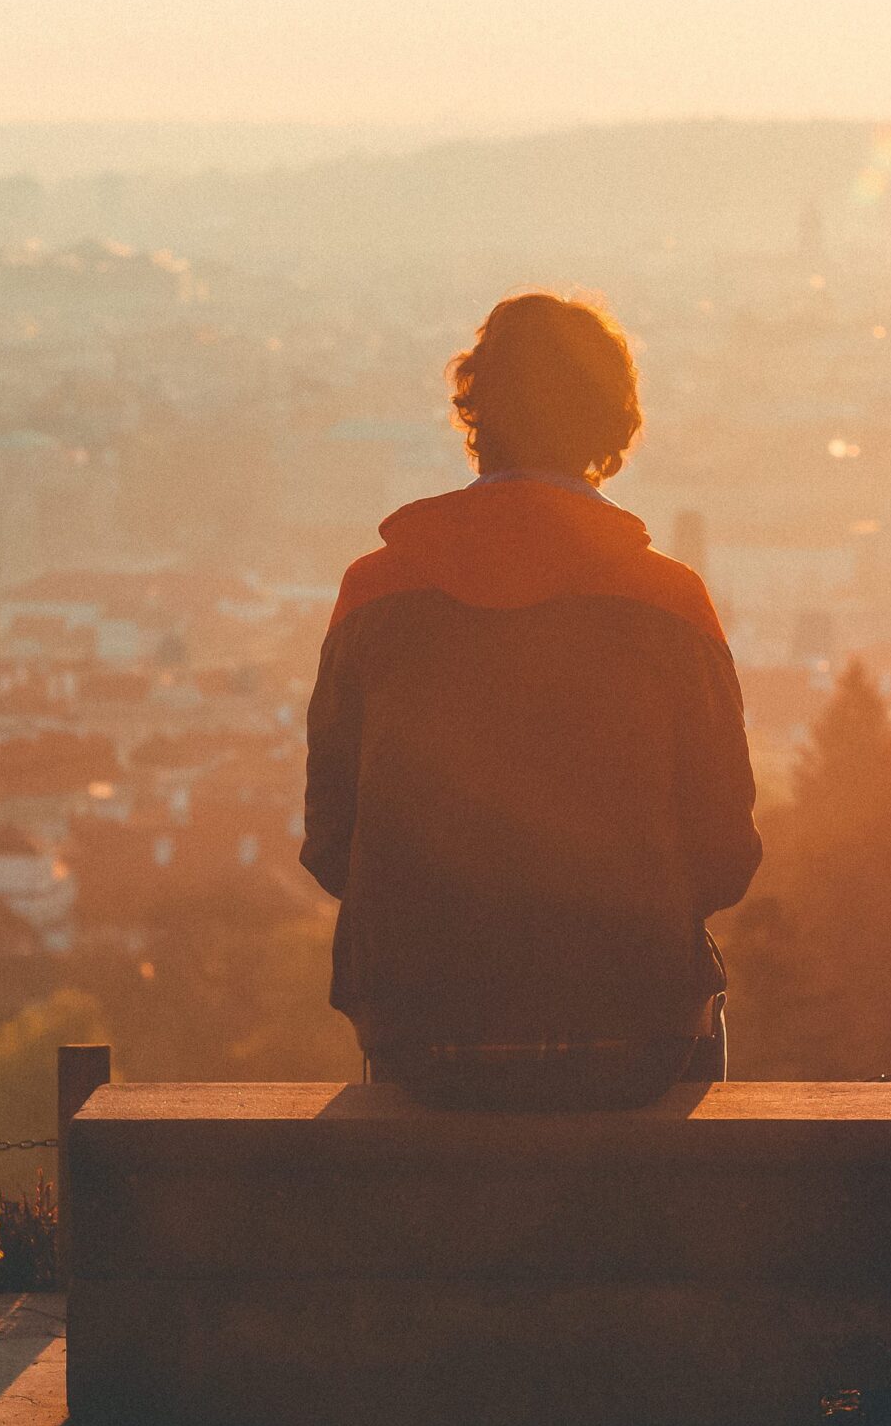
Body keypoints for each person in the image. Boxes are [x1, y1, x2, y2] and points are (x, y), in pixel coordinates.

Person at [300, 291, 760, 1109]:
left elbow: (333, 840)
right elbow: (725, 850)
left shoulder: (373, 594)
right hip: (632, 1034)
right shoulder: (671, 603)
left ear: (478, 416)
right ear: (610, 426)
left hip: (424, 1038)